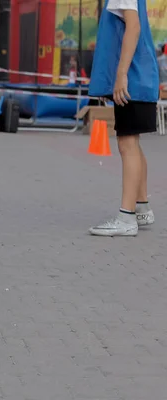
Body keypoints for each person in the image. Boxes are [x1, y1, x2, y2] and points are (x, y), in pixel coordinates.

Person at [87, 0, 159, 236]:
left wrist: (120, 75)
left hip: (133, 78)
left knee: (127, 144)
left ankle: (126, 217)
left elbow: (134, 26)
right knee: (133, 144)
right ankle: (141, 208)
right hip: (141, 77)